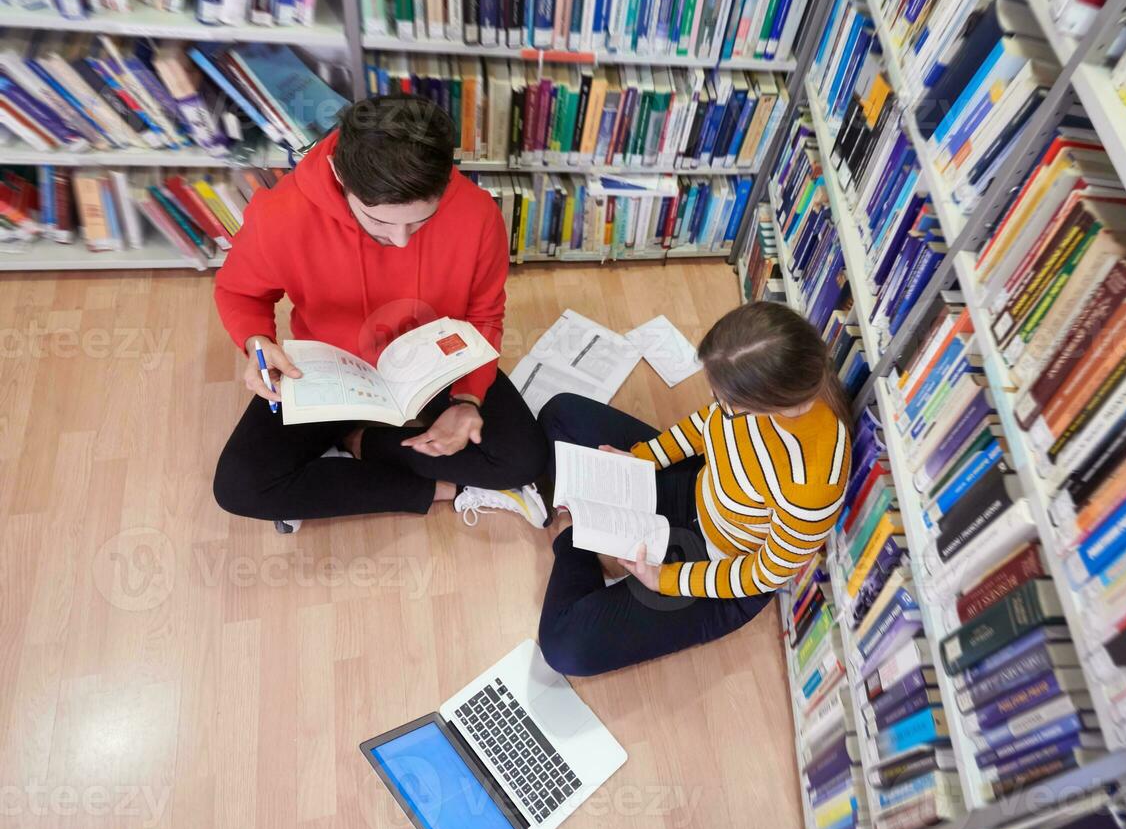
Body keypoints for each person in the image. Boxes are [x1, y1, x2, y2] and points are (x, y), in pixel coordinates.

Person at [212, 95, 548, 529]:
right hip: (330, 366)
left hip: (436, 359)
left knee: (523, 459)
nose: (402, 241)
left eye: (420, 221)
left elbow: (485, 314)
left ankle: (363, 444)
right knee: (240, 486)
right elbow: (240, 292)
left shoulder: (479, 213)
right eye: (378, 221)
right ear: (339, 175)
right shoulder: (281, 213)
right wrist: (257, 343)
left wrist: (467, 398)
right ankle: (444, 489)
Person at [535, 301, 853, 676]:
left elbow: (764, 573)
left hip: (716, 567)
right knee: (561, 414)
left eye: (725, 400)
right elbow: (706, 424)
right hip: (696, 488)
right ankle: (599, 530)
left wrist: (666, 579)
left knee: (564, 646)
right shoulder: (751, 390)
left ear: (763, 404)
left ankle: (579, 539)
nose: (717, 403)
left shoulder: (814, 482)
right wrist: (642, 459)